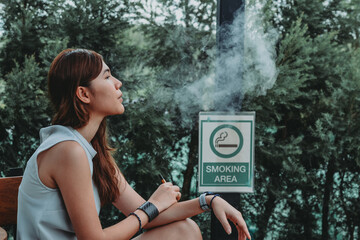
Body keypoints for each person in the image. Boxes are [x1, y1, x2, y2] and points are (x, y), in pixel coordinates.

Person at [17, 48, 251, 240]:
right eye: (107, 77)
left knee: (184, 230)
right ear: (83, 94)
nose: (117, 83)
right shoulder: (68, 150)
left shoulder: (89, 150)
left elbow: (150, 212)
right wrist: (151, 207)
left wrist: (208, 200)